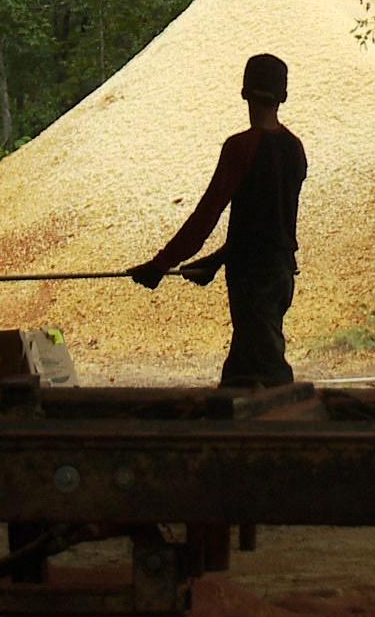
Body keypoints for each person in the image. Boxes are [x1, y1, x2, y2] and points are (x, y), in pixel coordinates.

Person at [130, 54, 307, 388]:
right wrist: (214, 261)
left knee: (262, 381)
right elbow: (270, 229)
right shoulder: (295, 149)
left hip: (252, 280)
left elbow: (206, 216)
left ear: (244, 93)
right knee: (248, 371)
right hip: (281, 274)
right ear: (283, 97)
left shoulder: (241, 147)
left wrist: (160, 264)